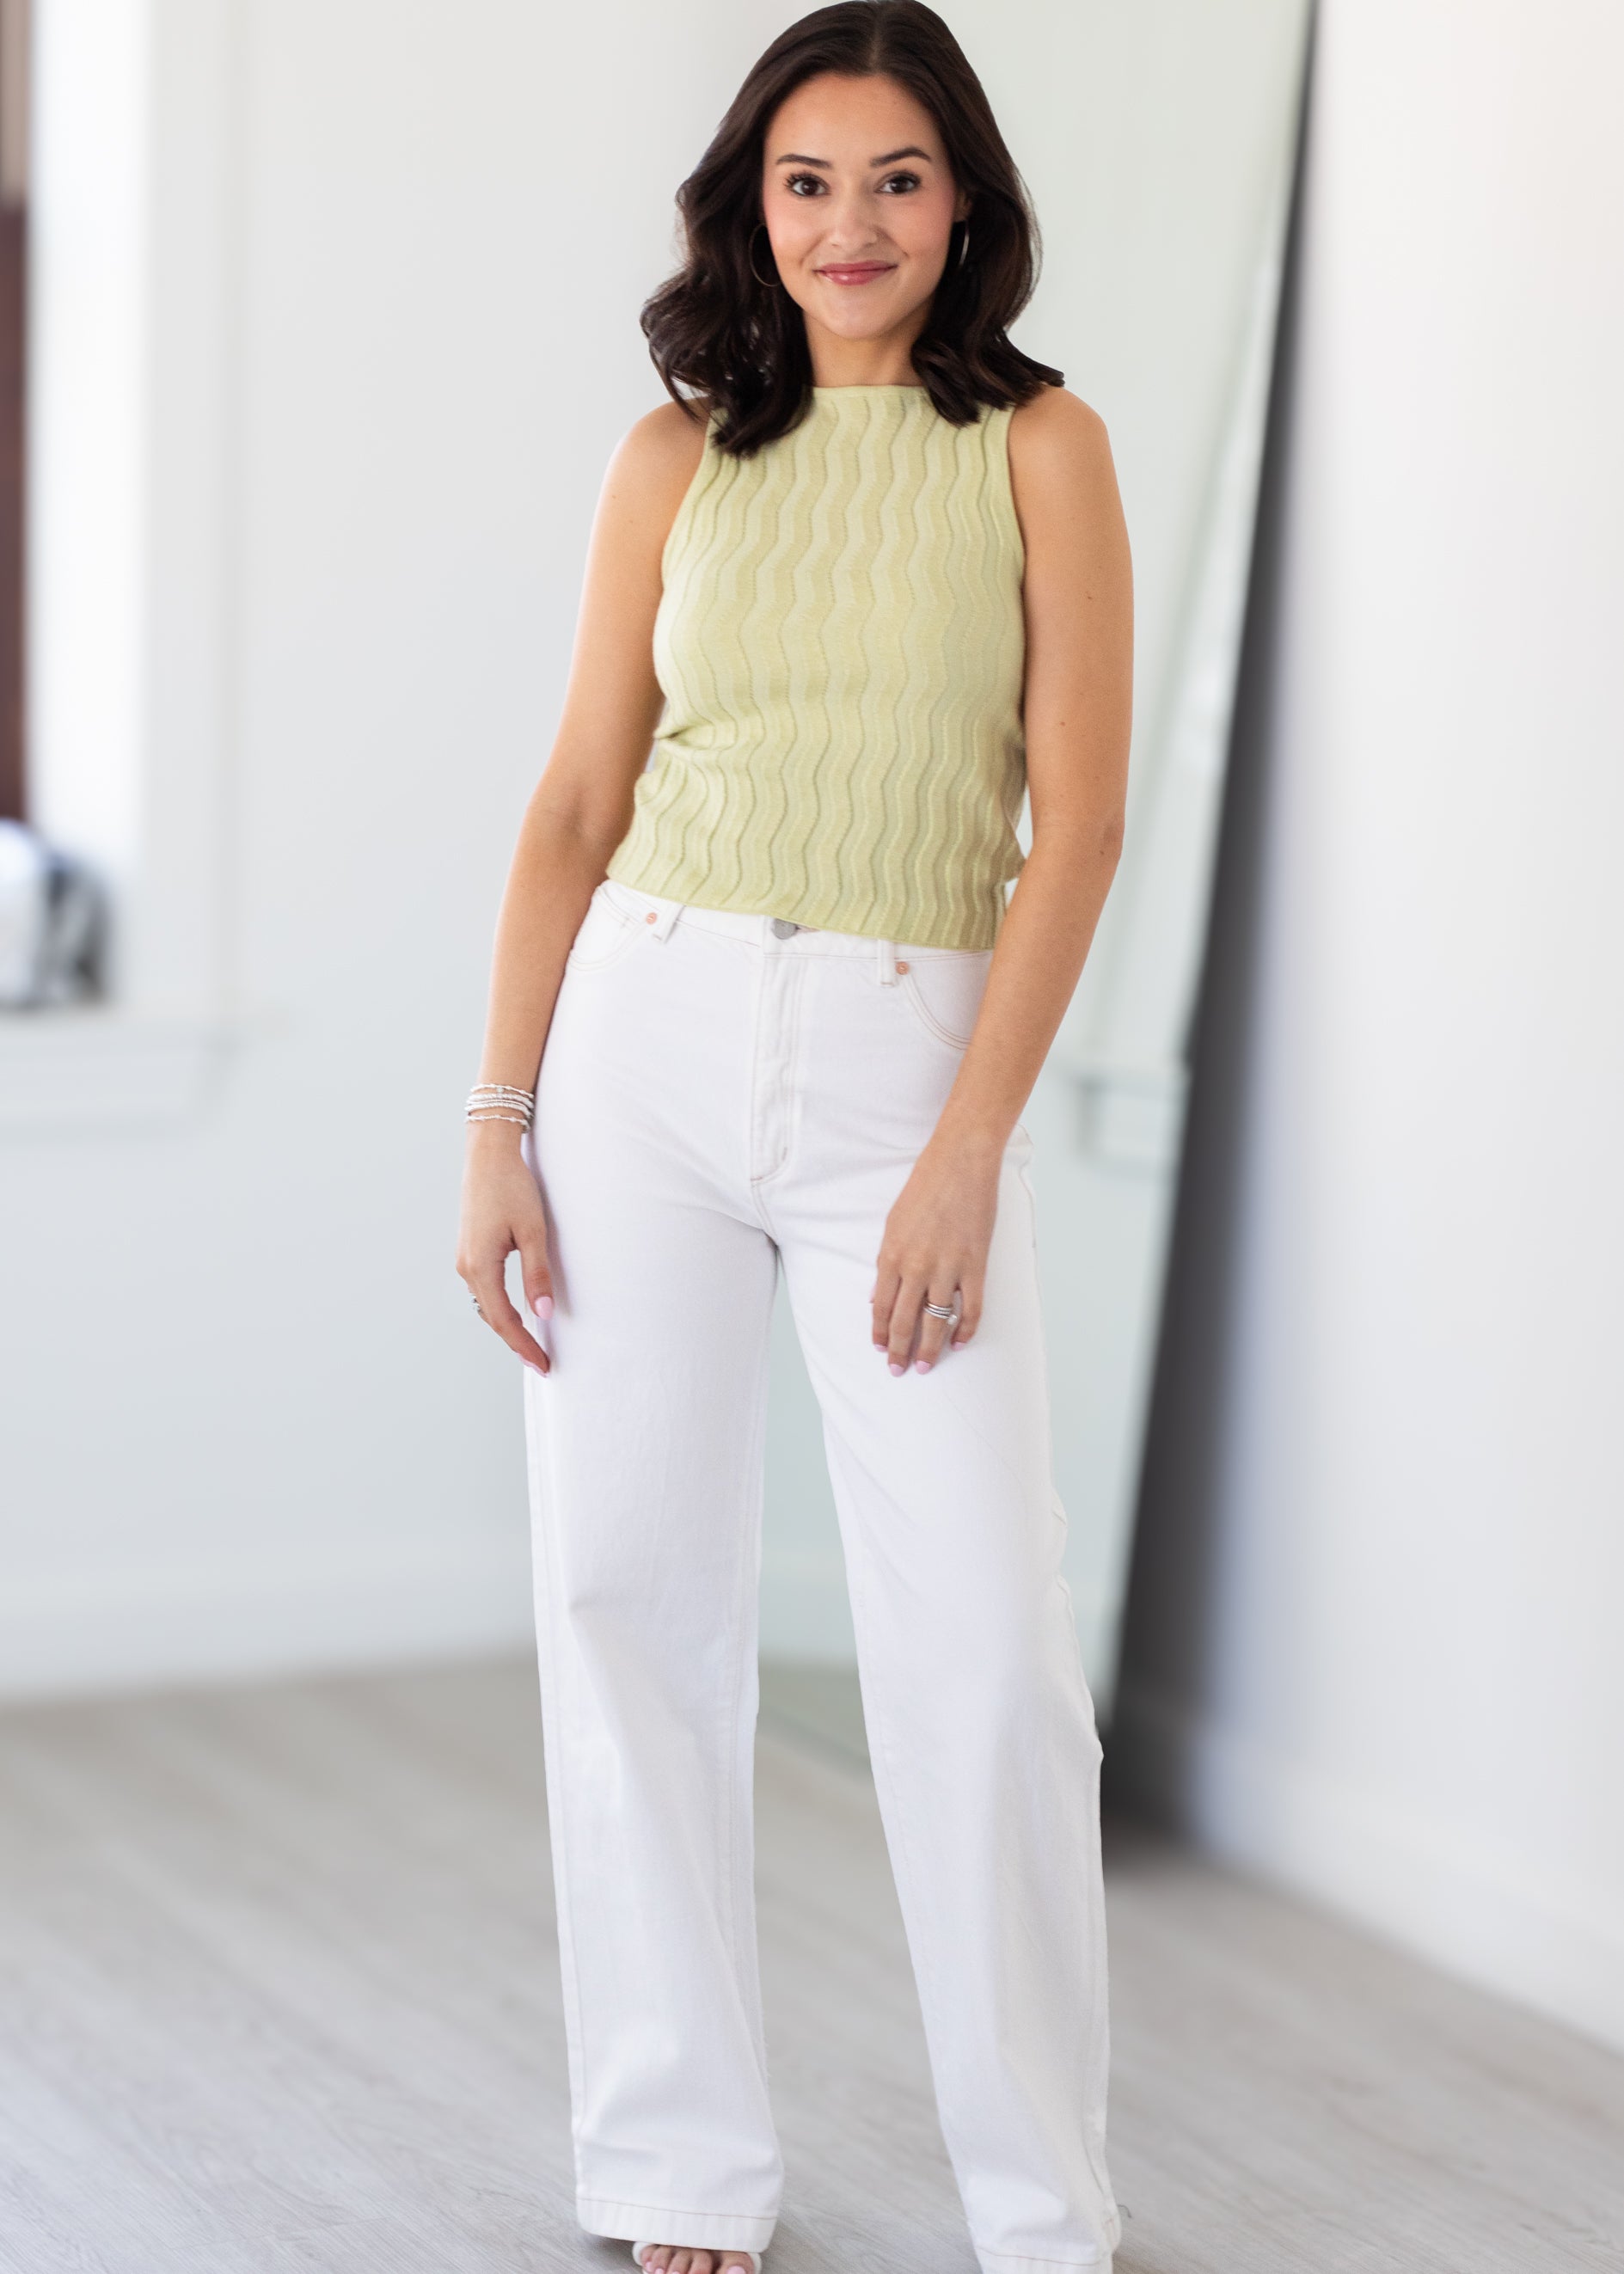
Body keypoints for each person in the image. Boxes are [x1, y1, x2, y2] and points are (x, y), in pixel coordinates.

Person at [457, 5, 1132, 2270]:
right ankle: (673, 2169)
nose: (852, 227)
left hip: (898, 1059)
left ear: (967, 203)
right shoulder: (670, 458)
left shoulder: (1042, 447)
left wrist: (965, 1147)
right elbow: (570, 803)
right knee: (626, 1604)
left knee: (988, 1656)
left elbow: (1079, 829)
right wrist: (494, 1120)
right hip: (635, 1039)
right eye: (808, 183)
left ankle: (1042, 2206)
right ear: (753, 208)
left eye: (898, 180)